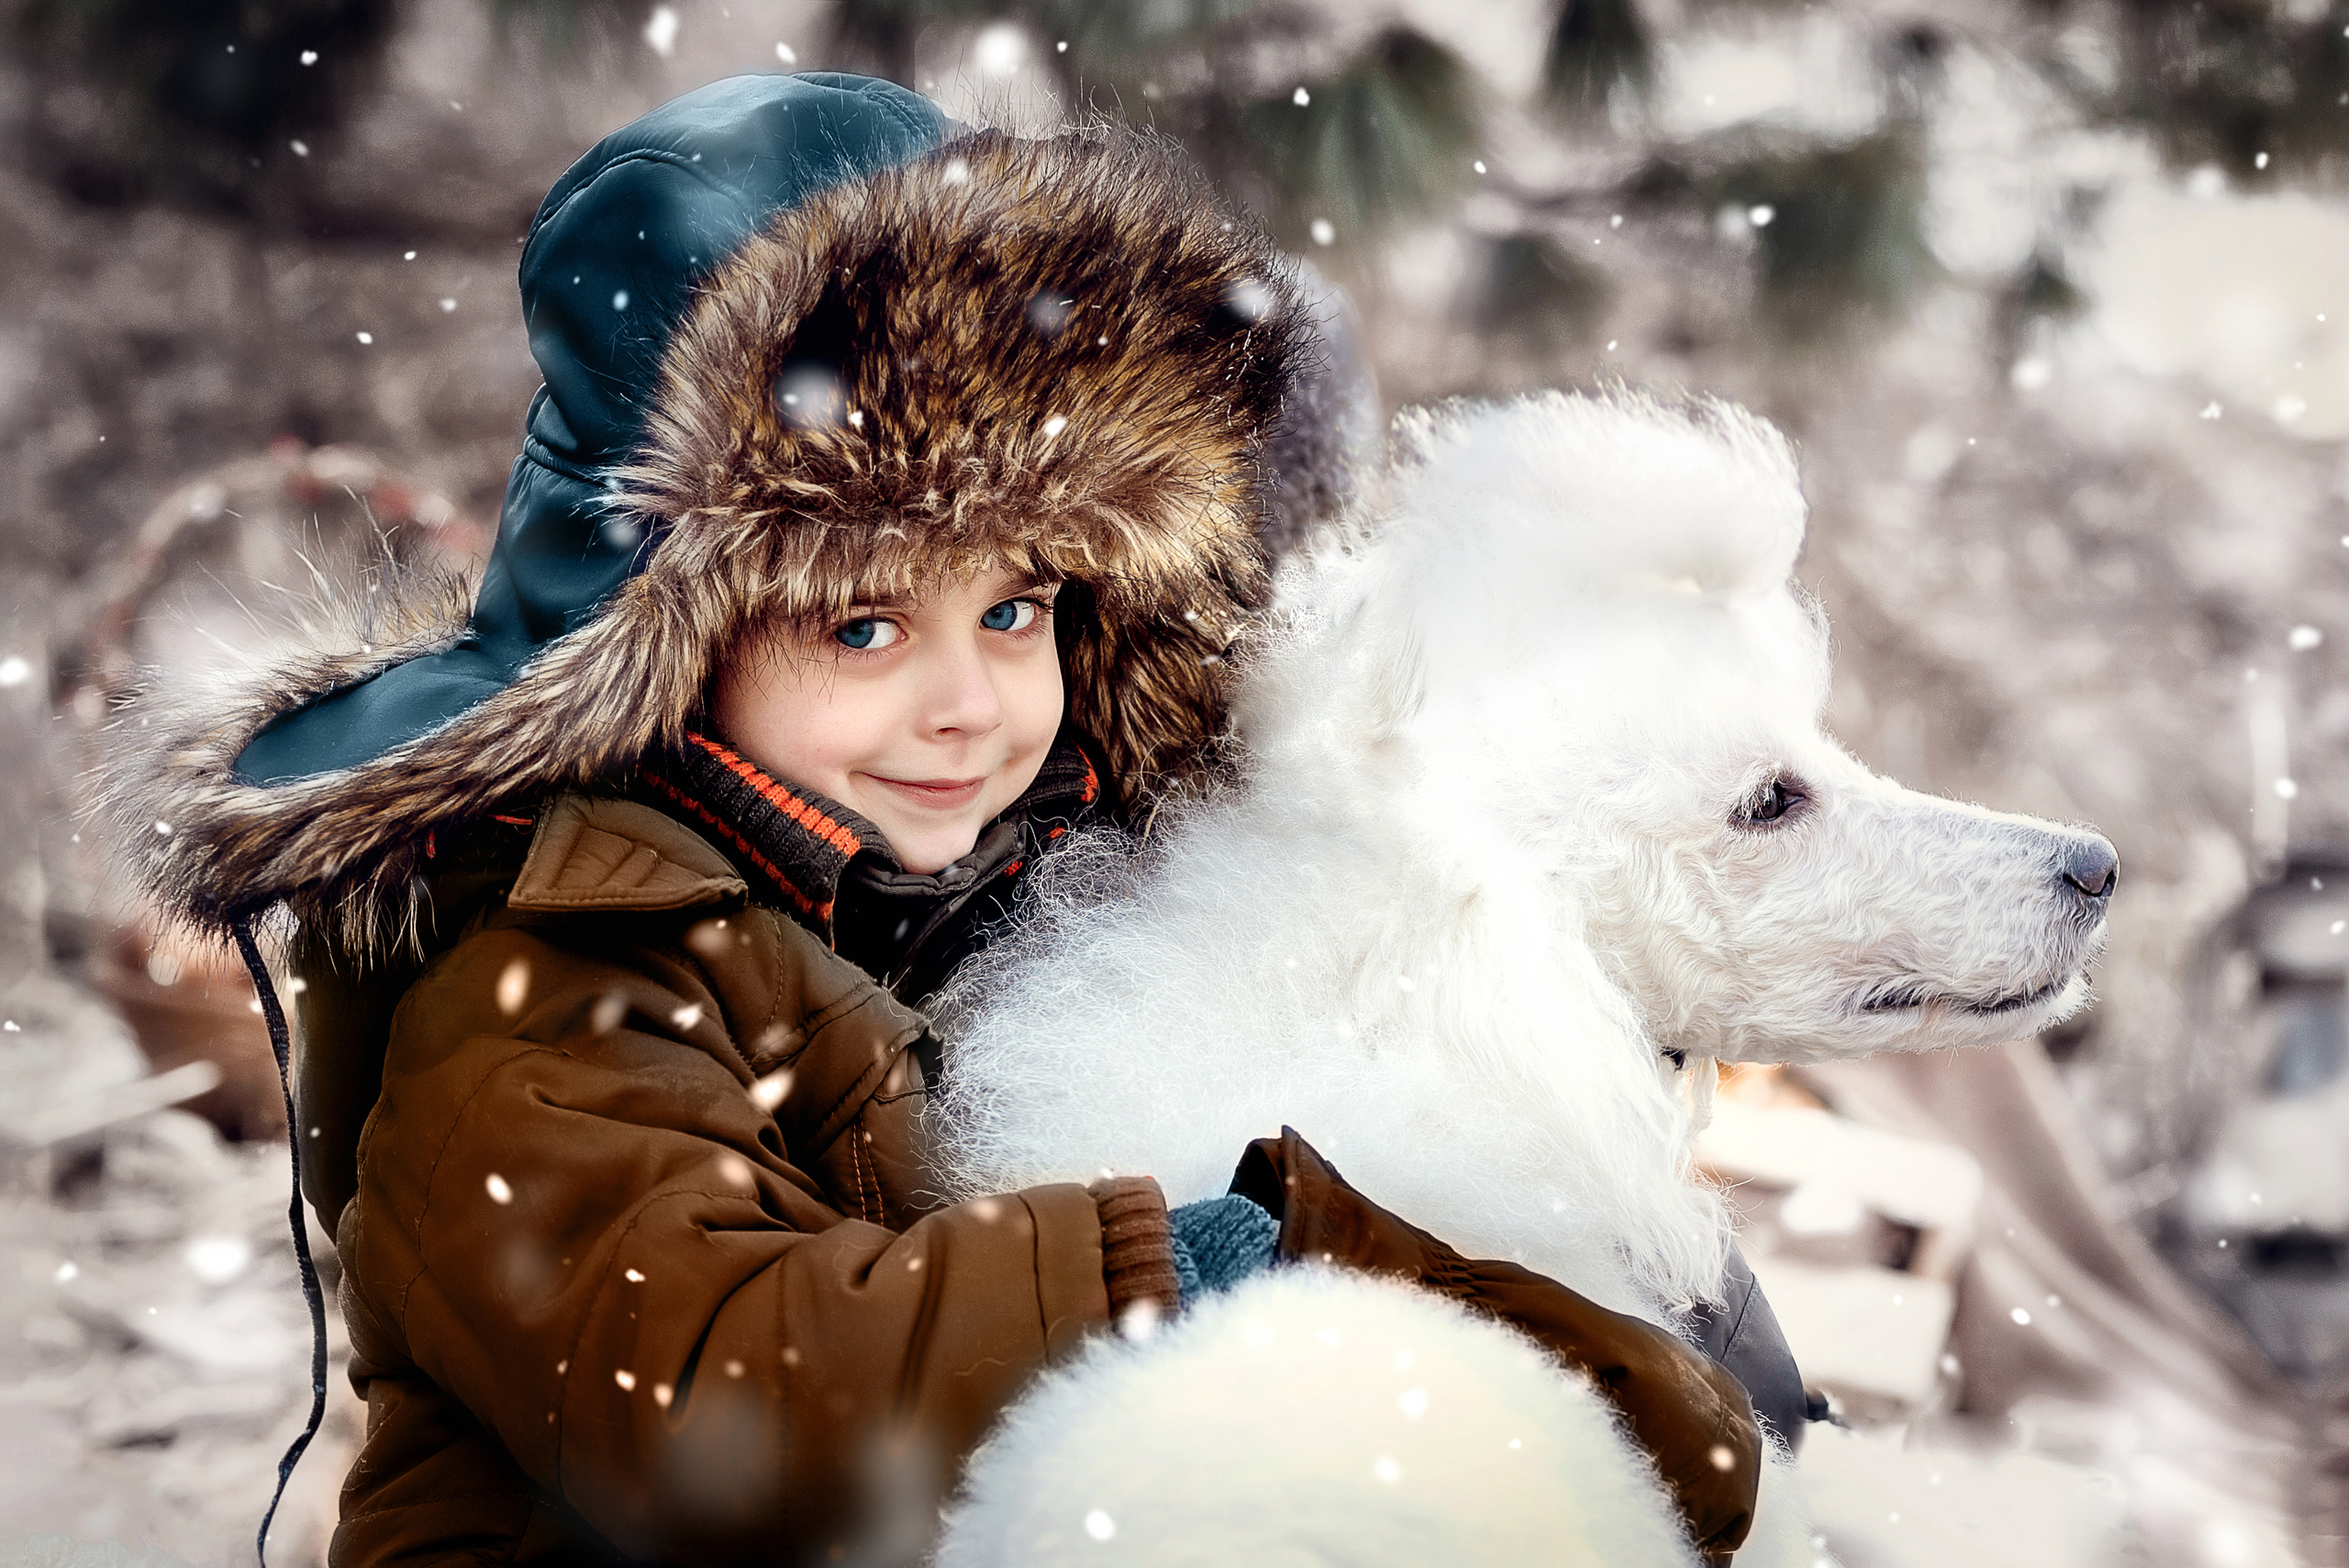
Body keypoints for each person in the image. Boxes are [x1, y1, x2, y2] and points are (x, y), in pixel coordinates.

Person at [112, 72, 1765, 1567]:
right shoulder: (534, 993)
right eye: (863, 625)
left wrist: (1537, 1361)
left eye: (1016, 607)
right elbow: (707, 1400)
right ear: (668, 644)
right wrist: (1178, 1267)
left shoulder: (982, 914)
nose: (970, 701)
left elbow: (1663, 1436)